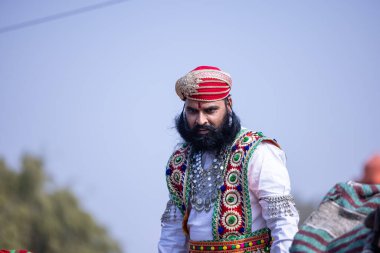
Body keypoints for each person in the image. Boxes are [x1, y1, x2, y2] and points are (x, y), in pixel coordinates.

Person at [158, 66, 299, 253]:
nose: (200, 120)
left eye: (210, 110)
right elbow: (172, 235)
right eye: (192, 111)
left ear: (229, 104)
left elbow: (283, 223)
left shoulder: (258, 152)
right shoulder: (180, 162)